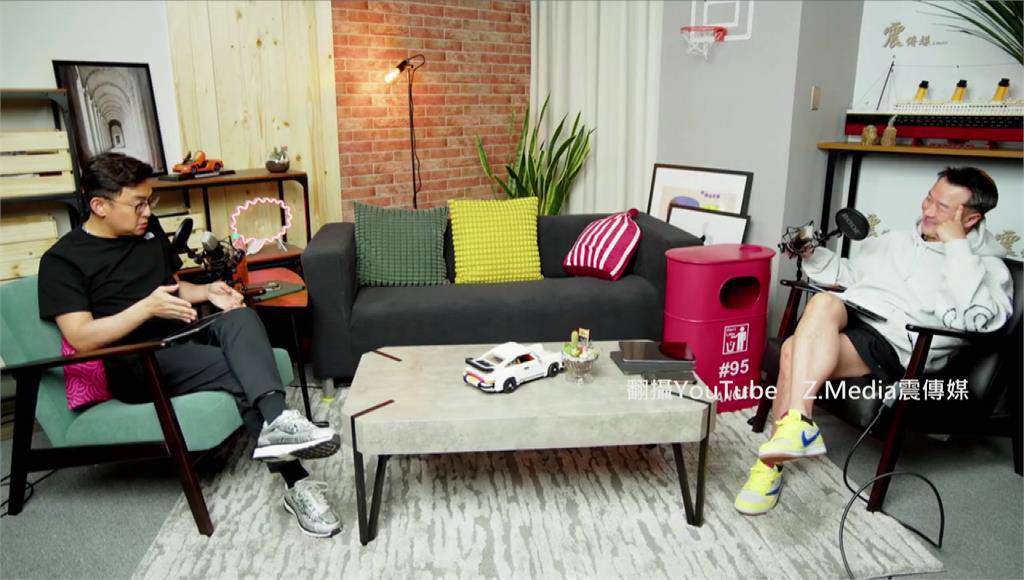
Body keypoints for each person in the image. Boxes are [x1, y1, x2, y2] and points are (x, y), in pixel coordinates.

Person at [38, 153, 343, 537]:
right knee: (240, 373)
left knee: (240, 316)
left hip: (184, 333)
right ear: (99, 205)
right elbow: (81, 336)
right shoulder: (62, 261)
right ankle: (296, 483)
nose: (148, 212)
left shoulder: (147, 232)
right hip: (137, 361)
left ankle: (278, 423)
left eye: (150, 201)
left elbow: (173, 286)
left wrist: (208, 291)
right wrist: (146, 309)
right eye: (138, 204)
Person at [734, 166, 1014, 516]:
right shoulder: (898, 240)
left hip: (899, 344)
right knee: (824, 302)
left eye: (943, 207)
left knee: (792, 351)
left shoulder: (987, 268)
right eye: (929, 198)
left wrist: (957, 246)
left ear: (970, 219)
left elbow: (976, 320)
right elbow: (852, 276)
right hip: (856, 315)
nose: (928, 211)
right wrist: (811, 254)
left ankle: (768, 468)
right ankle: (798, 424)